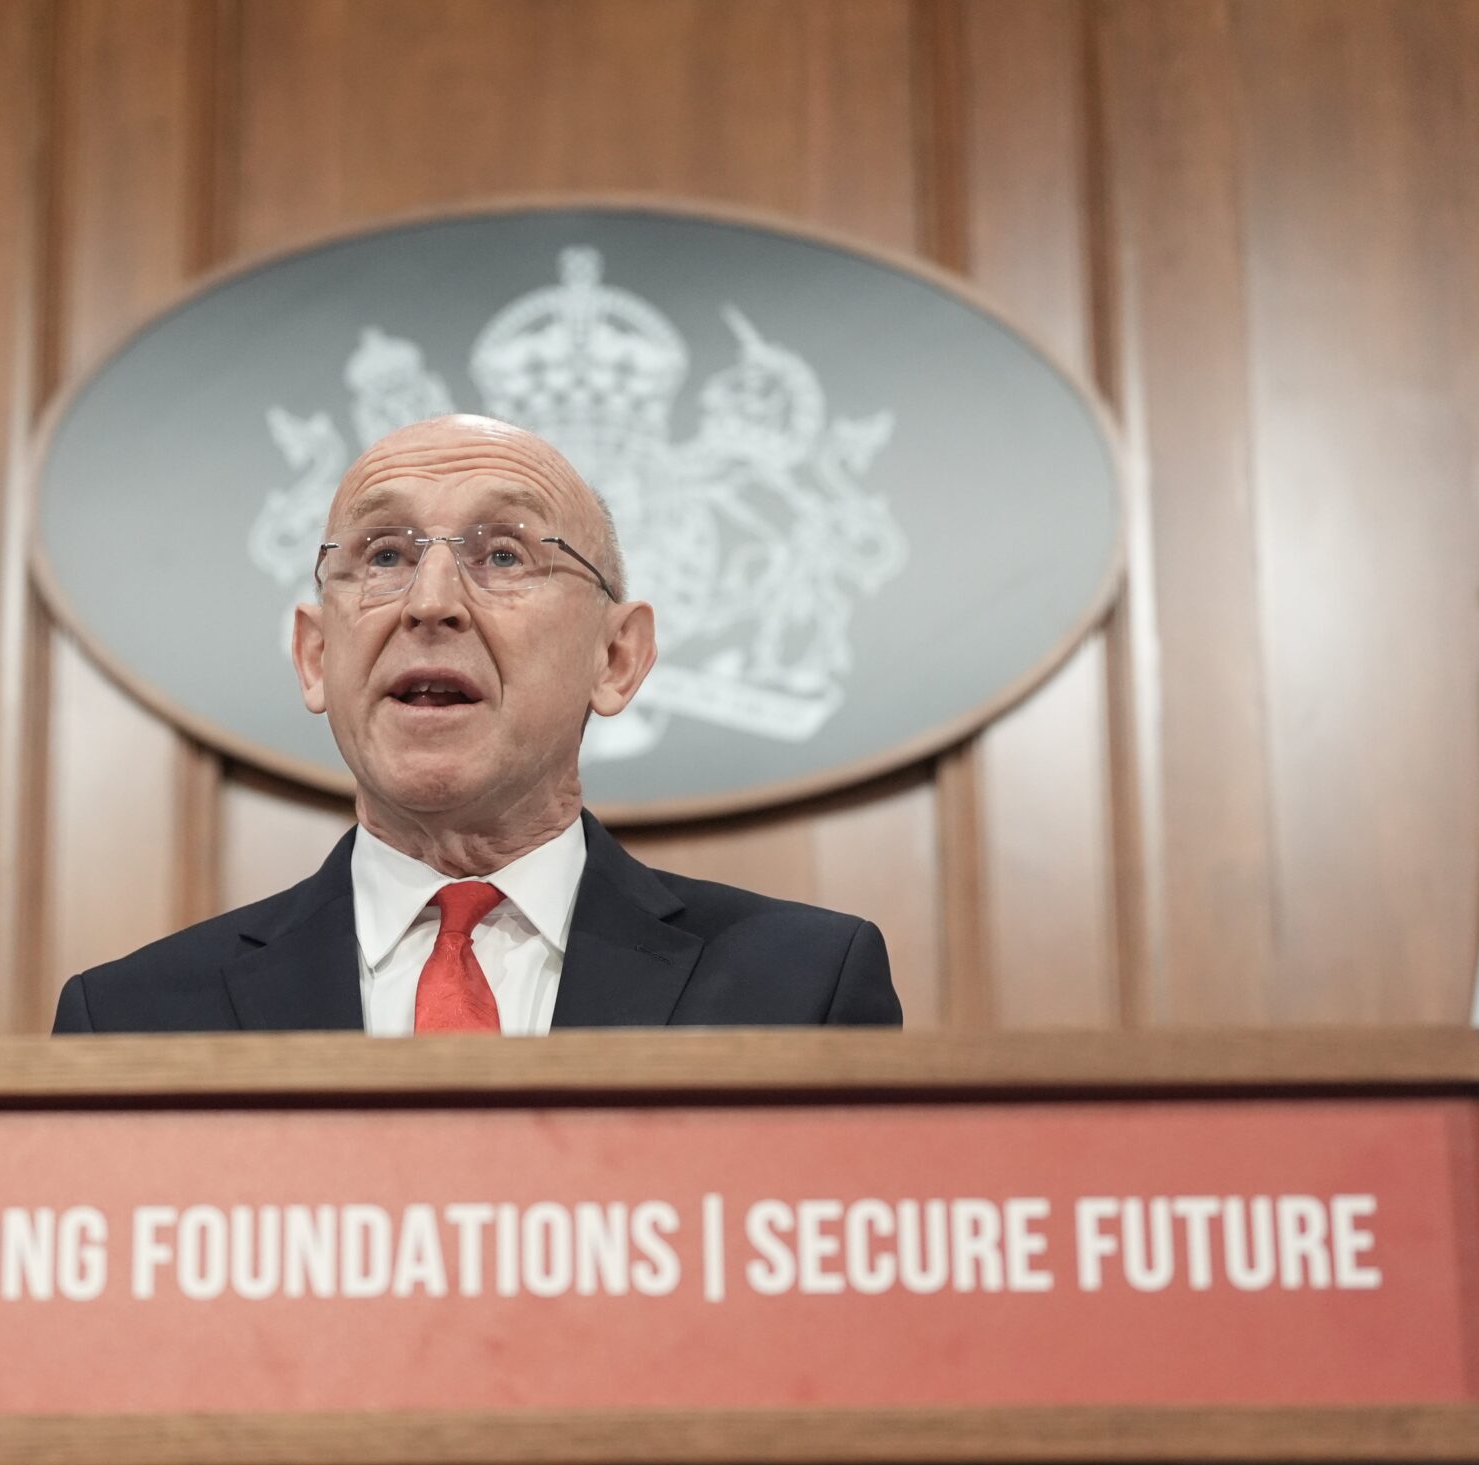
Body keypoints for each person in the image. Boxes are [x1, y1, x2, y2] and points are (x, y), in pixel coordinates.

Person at [53, 414, 903, 1034]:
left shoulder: (801, 992)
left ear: (615, 657)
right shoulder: (131, 1019)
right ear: (315, 656)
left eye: (502, 555)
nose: (430, 603)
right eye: (383, 555)